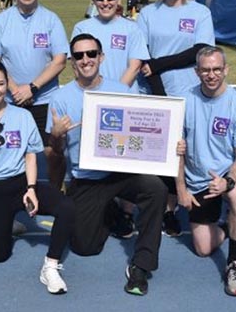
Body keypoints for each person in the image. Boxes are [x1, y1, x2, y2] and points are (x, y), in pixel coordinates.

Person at [48, 33, 168, 296]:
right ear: (72, 62)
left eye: (91, 53)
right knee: (84, 247)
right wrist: (56, 136)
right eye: (79, 55)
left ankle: (141, 264)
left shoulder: (121, 91)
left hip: (119, 174)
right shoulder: (60, 99)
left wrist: (170, 146)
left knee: (155, 189)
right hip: (86, 179)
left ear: (101, 57)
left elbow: (142, 134)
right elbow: (56, 153)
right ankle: (110, 212)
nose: (86, 60)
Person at [0, 59, 76, 294]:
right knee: (0, 256)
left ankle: (50, 267)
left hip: (21, 183)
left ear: (6, 85)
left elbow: (30, 154)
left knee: (67, 207)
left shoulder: (22, 116)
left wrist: (31, 187)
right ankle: (9, 221)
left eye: (0, 84)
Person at [137, 0, 215, 237]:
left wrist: (160, 63)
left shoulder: (200, 12)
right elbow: (143, 55)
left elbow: (201, 49)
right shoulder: (148, 13)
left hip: (190, 93)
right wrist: (159, 91)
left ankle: (188, 202)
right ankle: (166, 209)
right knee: (160, 156)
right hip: (155, 91)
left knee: (186, 153)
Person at [175, 46, 236, 297]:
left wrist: (228, 182)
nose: (211, 75)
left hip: (230, 174)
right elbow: (177, 152)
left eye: (217, 69)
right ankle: (231, 225)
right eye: (206, 70)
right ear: (197, 72)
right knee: (202, 248)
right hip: (198, 180)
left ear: (226, 70)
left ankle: (235, 264)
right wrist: (181, 190)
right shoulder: (184, 101)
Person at [0, 0, 69, 188]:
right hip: (11, 101)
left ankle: (54, 192)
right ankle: (15, 196)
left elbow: (60, 60)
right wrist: (15, 89)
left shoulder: (51, 20)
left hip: (45, 99)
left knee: (53, 151)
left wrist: (32, 88)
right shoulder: (2, 21)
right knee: (12, 150)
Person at [72, 0, 149, 92]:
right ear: (93, 0)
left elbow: (134, 67)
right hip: (92, 97)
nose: (105, 2)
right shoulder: (81, 28)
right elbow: (77, 66)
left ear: (118, 0)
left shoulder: (132, 28)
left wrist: (115, 94)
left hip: (124, 95)